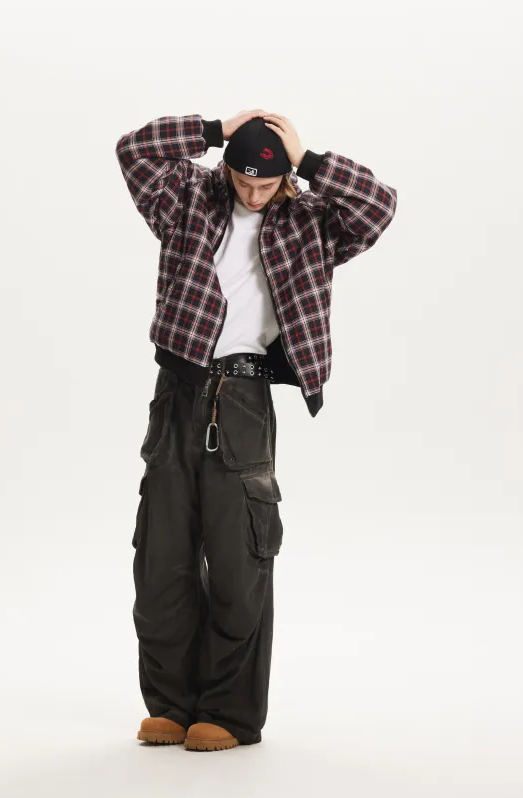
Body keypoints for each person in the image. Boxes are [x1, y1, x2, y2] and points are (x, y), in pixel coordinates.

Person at [116, 110, 397, 751]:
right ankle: (171, 705)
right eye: (242, 179)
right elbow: (134, 151)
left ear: (283, 176)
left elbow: (378, 207)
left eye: (265, 183)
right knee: (160, 560)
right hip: (176, 393)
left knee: (239, 561)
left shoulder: (310, 222)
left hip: (242, 400)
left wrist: (310, 160)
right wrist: (214, 128)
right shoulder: (187, 199)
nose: (252, 192)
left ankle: (228, 713)